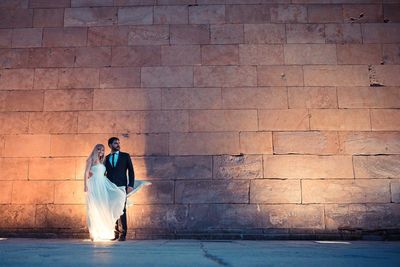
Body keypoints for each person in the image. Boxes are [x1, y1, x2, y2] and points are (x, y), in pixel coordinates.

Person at [84, 144, 126, 241]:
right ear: (95, 150)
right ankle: (93, 233)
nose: (101, 152)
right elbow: (86, 173)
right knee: (93, 208)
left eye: (102, 150)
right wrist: (85, 185)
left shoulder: (103, 161)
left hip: (102, 185)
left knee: (102, 206)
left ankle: (102, 230)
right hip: (93, 185)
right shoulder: (90, 160)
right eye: (99, 150)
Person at [104, 137, 135, 241]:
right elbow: (104, 173)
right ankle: (115, 233)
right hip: (110, 187)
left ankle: (123, 234)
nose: (118, 144)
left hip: (122, 186)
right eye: (115, 143)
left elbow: (131, 171)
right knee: (113, 209)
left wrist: (130, 185)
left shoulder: (125, 156)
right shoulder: (106, 158)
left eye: (118, 143)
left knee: (122, 209)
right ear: (110, 145)